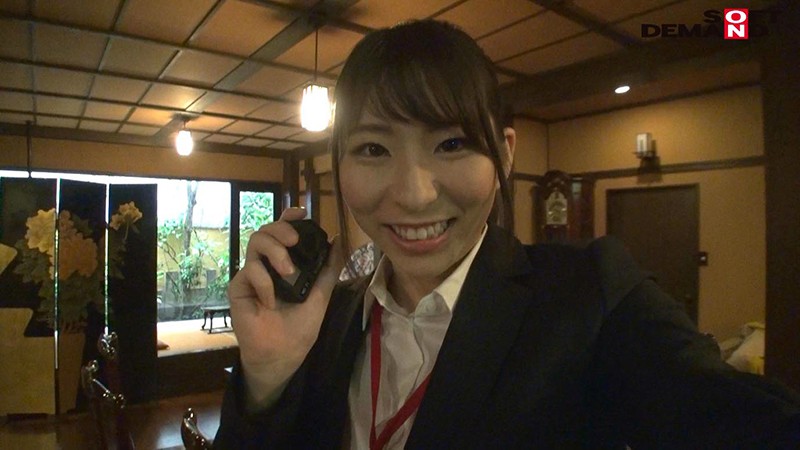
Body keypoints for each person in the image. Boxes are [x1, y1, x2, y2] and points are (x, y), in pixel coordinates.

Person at [214, 20, 800, 449]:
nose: (414, 194)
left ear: (505, 153)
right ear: (338, 164)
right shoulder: (326, 316)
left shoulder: (590, 299)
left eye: (451, 143)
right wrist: (266, 377)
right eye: (372, 148)